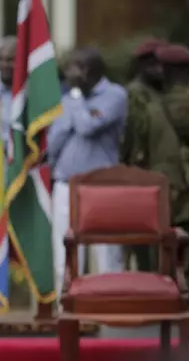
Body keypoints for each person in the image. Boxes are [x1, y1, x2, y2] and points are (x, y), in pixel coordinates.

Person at [47, 47, 128, 300]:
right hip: (65, 183)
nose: (68, 73)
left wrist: (74, 104)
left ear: (88, 70)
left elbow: (87, 126)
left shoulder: (115, 95)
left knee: (106, 252)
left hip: (101, 185)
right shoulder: (71, 98)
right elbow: (56, 138)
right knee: (66, 251)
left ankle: (111, 312)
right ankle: (68, 310)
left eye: (73, 68)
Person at [154, 44, 189, 357]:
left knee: (163, 278)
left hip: (155, 209)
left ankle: (165, 345)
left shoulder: (150, 109)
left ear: (164, 71)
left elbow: (136, 157)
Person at [120, 38, 168, 272]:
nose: (160, 70)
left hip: (159, 172)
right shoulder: (137, 92)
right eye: (154, 64)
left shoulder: (159, 91)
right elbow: (135, 136)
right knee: (143, 237)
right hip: (142, 172)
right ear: (142, 66)